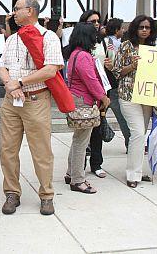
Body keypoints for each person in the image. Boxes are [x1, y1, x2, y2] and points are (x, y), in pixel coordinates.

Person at [0, 0, 63, 216]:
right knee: (7, 150)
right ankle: (11, 192)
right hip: (11, 101)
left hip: (36, 100)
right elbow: (2, 67)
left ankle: (46, 195)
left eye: (17, 9)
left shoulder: (49, 37)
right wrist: (10, 85)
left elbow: (50, 70)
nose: (13, 13)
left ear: (31, 11)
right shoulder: (12, 39)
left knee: (41, 151)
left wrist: (22, 83)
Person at [64, 22, 110, 194]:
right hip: (84, 101)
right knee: (81, 143)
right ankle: (77, 180)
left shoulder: (74, 54)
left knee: (78, 139)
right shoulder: (83, 56)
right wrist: (103, 97)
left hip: (77, 99)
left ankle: (71, 173)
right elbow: (91, 81)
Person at [112, 15, 157, 188]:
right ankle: (132, 174)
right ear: (135, 29)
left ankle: (137, 170)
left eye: (147, 27)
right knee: (137, 133)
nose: (144, 30)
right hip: (128, 96)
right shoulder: (125, 46)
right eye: (141, 27)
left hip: (147, 97)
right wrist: (132, 66)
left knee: (140, 135)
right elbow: (117, 72)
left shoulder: (155, 48)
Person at [78, 10, 107, 179]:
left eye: (98, 21)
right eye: (92, 21)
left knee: (98, 129)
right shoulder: (80, 44)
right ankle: (78, 164)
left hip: (102, 88)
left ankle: (96, 163)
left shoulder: (102, 41)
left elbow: (108, 62)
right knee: (83, 130)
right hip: (85, 92)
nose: (96, 24)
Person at [103, 18, 130, 150]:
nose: (123, 30)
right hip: (112, 84)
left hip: (104, 84)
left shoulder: (102, 41)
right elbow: (116, 65)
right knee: (121, 116)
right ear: (116, 30)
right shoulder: (114, 44)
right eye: (121, 28)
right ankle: (130, 142)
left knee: (99, 114)